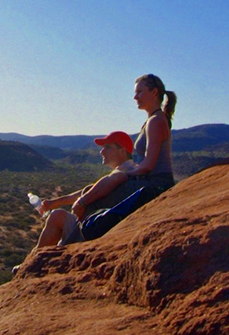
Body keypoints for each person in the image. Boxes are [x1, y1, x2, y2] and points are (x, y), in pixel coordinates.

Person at [66, 73, 177, 242]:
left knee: (97, 199)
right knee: (93, 189)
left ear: (154, 92)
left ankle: (70, 245)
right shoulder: (153, 120)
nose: (135, 97)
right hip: (151, 182)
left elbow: (148, 165)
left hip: (156, 184)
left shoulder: (156, 121)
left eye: (140, 92)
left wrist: (125, 174)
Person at [29, 131, 136, 250]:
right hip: (94, 223)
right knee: (58, 215)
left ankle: (34, 260)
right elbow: (90, 190)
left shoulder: (125, 171)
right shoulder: (124, 170)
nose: (101, 151)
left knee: (56, 216)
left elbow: (113, 180)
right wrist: (54, 202)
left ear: (122, 151)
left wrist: (81, 202)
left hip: (93, 228)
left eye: (108, 147)